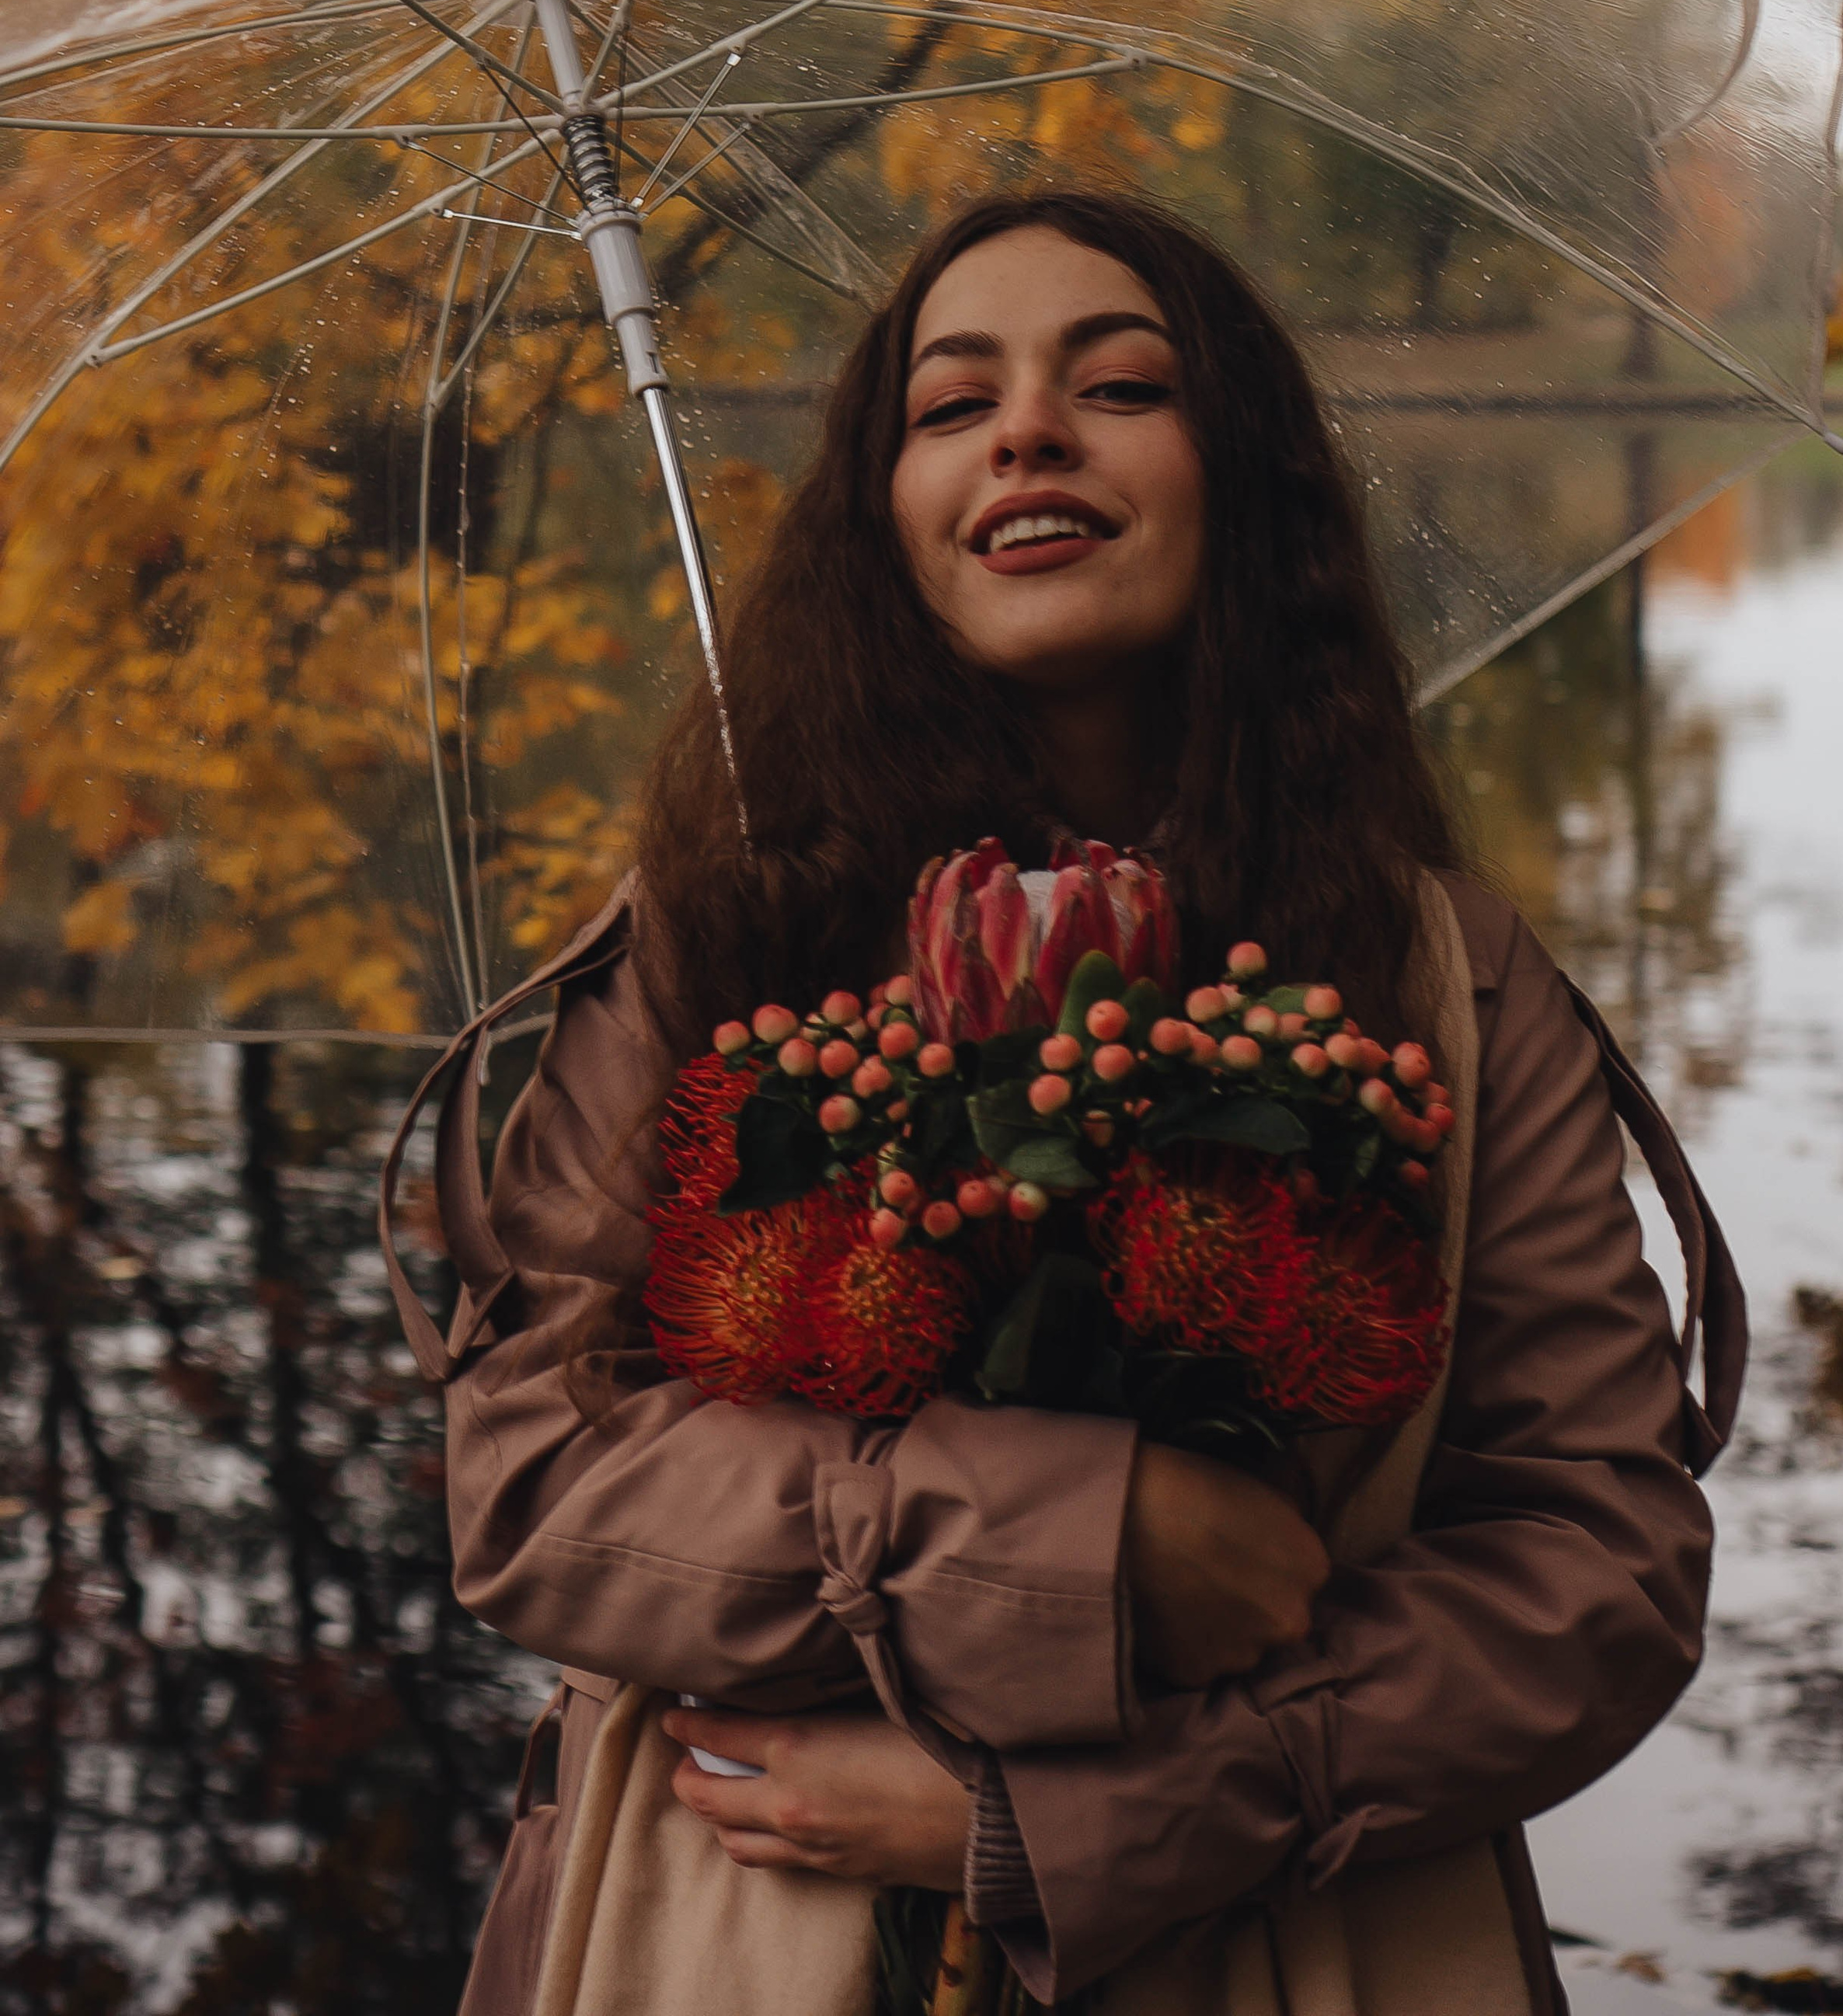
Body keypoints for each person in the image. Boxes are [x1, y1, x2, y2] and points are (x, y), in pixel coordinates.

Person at [381, 188, 1742, 2016]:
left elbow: (1596, 1564)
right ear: (886, 520)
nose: (1024, 429)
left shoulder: (1444, 977)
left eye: (1115, 386)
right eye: (950, 407)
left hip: (1287, 1944)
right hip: (742, 1932)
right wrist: (1070, 1538)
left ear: (1238, 477)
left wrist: (1080, 1815)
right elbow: (534, 1479)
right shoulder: (708, 932)